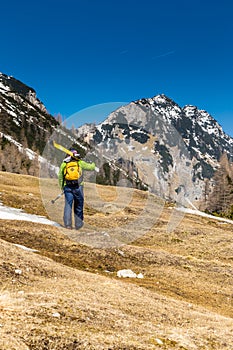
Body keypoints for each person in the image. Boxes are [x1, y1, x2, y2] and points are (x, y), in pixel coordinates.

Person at [58, 149, 96, 230]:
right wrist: (92, 162)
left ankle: (68, 225)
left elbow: (60, 177)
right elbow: (92, 167)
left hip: (67, 186)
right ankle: (78, 225)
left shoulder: (64, 164)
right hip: (79, 186)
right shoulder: (79, 162)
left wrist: (62, 187)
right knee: (78, 205)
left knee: (68, 205)